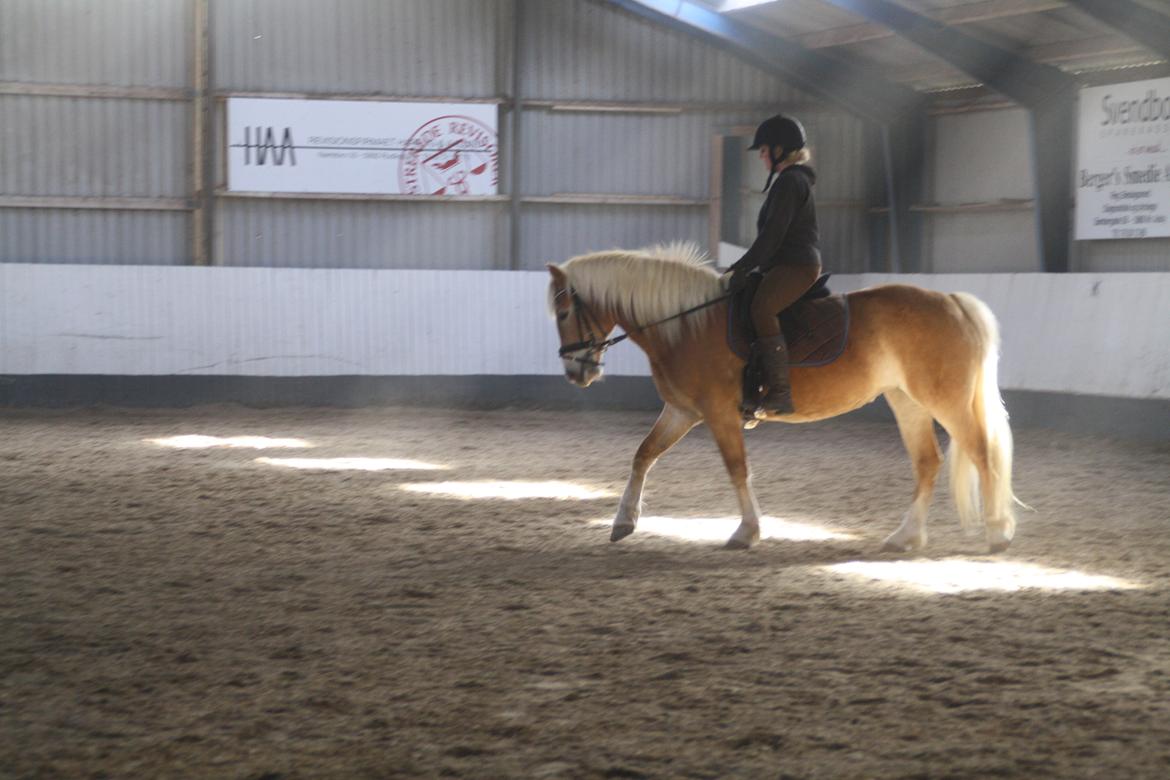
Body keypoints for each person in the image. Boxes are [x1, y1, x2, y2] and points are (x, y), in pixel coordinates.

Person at [724, 114, 822, 415]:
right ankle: (753, 384)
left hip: (797, 266)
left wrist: (740, 266)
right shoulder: (789, 181)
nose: (762, 157)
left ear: (781, 150)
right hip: (784, 264)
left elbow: (772, 236)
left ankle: (780, 391)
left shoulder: (790, 182)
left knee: (761, 308)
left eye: (765, 151)